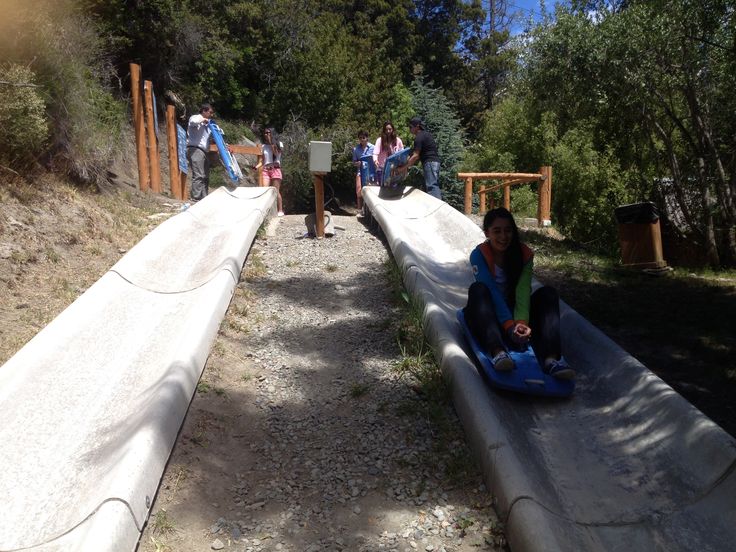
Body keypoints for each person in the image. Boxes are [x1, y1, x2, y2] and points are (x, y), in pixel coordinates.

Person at [463, 208, 575, 379]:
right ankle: (498, 352)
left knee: (548, 293)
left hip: (516, 313)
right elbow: (491, 291)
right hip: (489, 315)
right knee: (478, 290)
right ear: (487, 233)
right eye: (497, 231)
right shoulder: (478, 255)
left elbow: (523, 291)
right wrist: (509, 326)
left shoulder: (524, 254)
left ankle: (551, 359)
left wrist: (521, 322)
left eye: (508, 230)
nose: (503, 236)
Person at [402, 117, 441, 199]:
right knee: (433, 184)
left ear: (417, 126)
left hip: (430, 162)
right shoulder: (426, 134)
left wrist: (403, 167)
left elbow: (415, 156)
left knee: (431, 186)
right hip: (434, 162)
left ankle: (435, 208)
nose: (410, 129)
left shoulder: (419, 137)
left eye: (411, 127)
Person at [186, 103, 215, 201]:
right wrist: (203, 120)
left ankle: (204, 198)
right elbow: (193, 122)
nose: (211, 114)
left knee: (205, 176)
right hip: (195, 149)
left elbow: (208, 139)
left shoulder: (207, 125)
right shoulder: (195, 117)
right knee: (199, 175)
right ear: (204, 111)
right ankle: (195, 198)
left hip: (204, 151)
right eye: (210, 112)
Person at [260, 127, 284, 216]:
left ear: (272, 133)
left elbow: (276, 153)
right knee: (265, 190)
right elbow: (263, 160)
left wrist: (271, 142)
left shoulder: (279, 144)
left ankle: (280, 210)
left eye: (268, 133)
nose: (266, 134)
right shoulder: (263, 146)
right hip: (266, 169)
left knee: (276, 191)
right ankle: (266, 211)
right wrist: (257, 166)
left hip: (275, 169)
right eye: (265, 133)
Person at [352, 130, 374, 212]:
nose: (362, 139)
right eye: (360, 138)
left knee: (370, 191)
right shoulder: (356, 149)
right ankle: (359, 209)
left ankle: (369, 210)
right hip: (360, 172)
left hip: (371, 172)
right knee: (359, 190)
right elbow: (354, 162)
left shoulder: (373, 147)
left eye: (363, 138)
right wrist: (357, 163)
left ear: (367, 138)